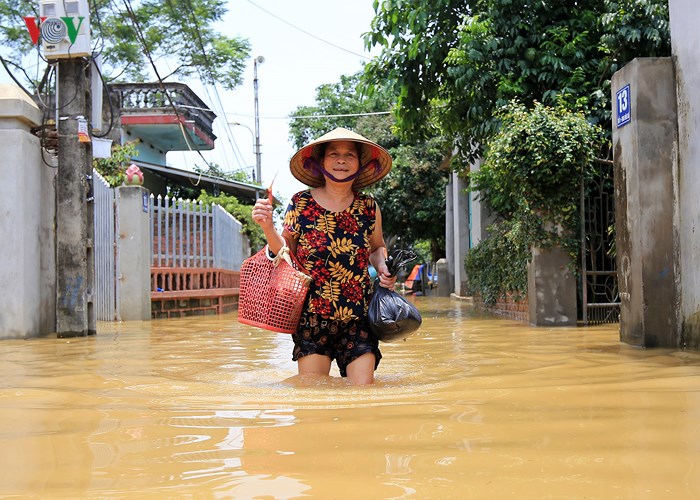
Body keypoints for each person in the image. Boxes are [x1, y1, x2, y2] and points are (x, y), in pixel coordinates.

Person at [251, 127, 397, 385]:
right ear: (320, 162)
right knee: (312, 390)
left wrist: (384, 267)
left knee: (364, 391)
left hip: (359, 314)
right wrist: (267, 227)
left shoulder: (369, 207)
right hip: (311, 314)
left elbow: (376, 248)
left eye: (350, 154)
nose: (342, 160)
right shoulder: (301, 203)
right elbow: (284, 251)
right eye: (334, 154)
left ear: (360, 163)